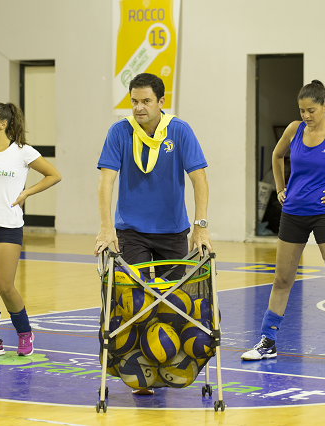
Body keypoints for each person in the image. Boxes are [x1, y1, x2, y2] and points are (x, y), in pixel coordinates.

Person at [241, 80, 325, 370]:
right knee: (281, 280)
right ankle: (267, 341)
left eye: (311, 110)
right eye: (302, 110)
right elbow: (277, 155)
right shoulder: (294, 130)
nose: (306, 115)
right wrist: (281, 187)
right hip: (292, 214)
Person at [94, 73, 212, 394]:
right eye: (134, 101)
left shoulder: (179, 131)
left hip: (173, 232)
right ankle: (140, 374)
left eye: (146, 101)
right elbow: (106, 182)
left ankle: (170, 365)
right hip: (130, 232)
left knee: (175, 305)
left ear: (162, 102)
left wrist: (200, 227)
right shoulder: (120, 132)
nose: (139, 108)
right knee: (135, 305)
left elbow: (199, 179)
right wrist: (107, 228)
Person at [0, 102, 62, 356]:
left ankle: (24, 333)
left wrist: (26, 193)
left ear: (3, 124)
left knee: (4, 285)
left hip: (8, 225)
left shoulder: (23, 152)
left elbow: (53, 175)